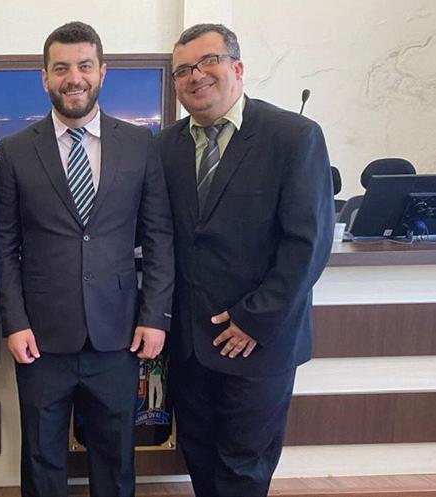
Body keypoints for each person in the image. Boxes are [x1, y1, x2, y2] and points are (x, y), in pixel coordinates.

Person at [0, 21, 174, 497]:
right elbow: (3, 245)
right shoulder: (15, 151)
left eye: (84, 66)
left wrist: (155, 316)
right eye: (61, 68)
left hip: (119, 333)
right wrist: (14, 322)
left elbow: (158, 237)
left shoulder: (140, 143)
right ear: (45, 77)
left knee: (115, 458)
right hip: (40, 337)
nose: (73, 78)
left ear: (102, 72)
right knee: (41, 457)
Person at [155, 23, 334, 496]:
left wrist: (254, 319)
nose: (195, 76)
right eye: (182, 70)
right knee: (199, 455)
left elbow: (307, 244)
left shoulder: (293, 137)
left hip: (259, 343)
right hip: (190, 345)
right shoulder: (165, 147)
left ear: (237, 67)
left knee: (244, 466)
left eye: (207, 61)